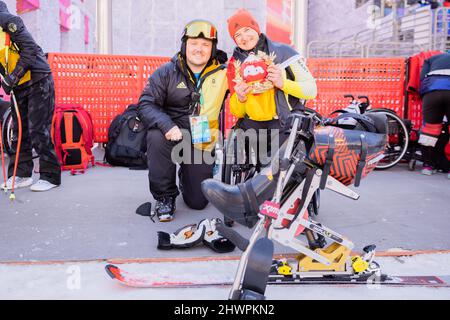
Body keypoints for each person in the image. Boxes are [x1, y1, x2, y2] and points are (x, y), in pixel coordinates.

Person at [138, 20, 228, 222]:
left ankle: (187, 177)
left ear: (213, 49)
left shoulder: (223, 74)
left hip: (201, 134)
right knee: (156, 135)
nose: (199, 49)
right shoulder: (166, 72)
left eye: (205, 45)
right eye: (194, 43)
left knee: (197, 202)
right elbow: (145, 104)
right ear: (184, 45)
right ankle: (164, 196)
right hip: (172, 131)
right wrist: (167, 125)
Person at [226, 9, 317, 170]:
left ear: (256, 29)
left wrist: (283, 83)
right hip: (254, 125)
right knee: (265, 171)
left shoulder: (284, 53)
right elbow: (237, 112)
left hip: (284, 121)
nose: (244, 37)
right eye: (238, 35)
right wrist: (240, 98)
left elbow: (311, 90)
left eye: (247, 30)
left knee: (279, 168)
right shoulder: (234, 65)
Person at [0, 1, 61, 192]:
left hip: (38, 79)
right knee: (19, 131)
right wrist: (9, 80)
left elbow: (30, 50)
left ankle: (50, 176)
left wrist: (13, 76)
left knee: (38, 129)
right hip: (18, 84)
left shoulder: (8, 21)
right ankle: (21, 174)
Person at [419, 52, 450, 179]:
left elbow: (422, 77)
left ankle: (427, 165)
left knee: (429, 131)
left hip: (432, 91)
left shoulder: (432, 58)